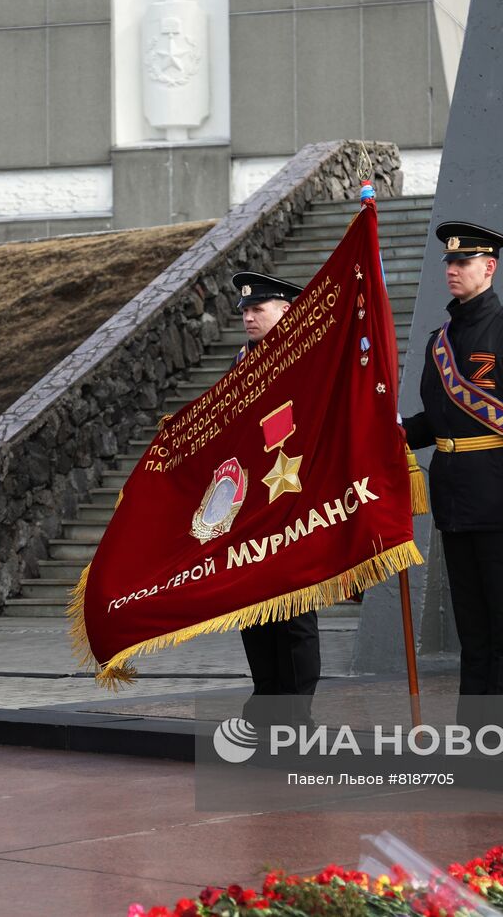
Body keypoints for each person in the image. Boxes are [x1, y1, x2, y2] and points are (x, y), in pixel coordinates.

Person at [401, 222, 503, 733]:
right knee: (471, 626)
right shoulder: (440, 341)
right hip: (455, 497)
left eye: (463, 263)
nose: (452, 270)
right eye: (449, 263)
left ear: (489, 268)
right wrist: (398, 433)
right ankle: (472, 730)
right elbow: (441, 421)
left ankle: (502, 730)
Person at [229, 272, 321, 727]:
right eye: (245, 311)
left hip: (294, 500)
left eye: (257, 309)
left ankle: (296, 713)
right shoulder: (240, 361)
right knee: (254, 610)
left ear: (286, 311)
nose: (248, 317)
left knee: (295, 614)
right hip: (252, 507)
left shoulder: (306, 358)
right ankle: (264, 704)